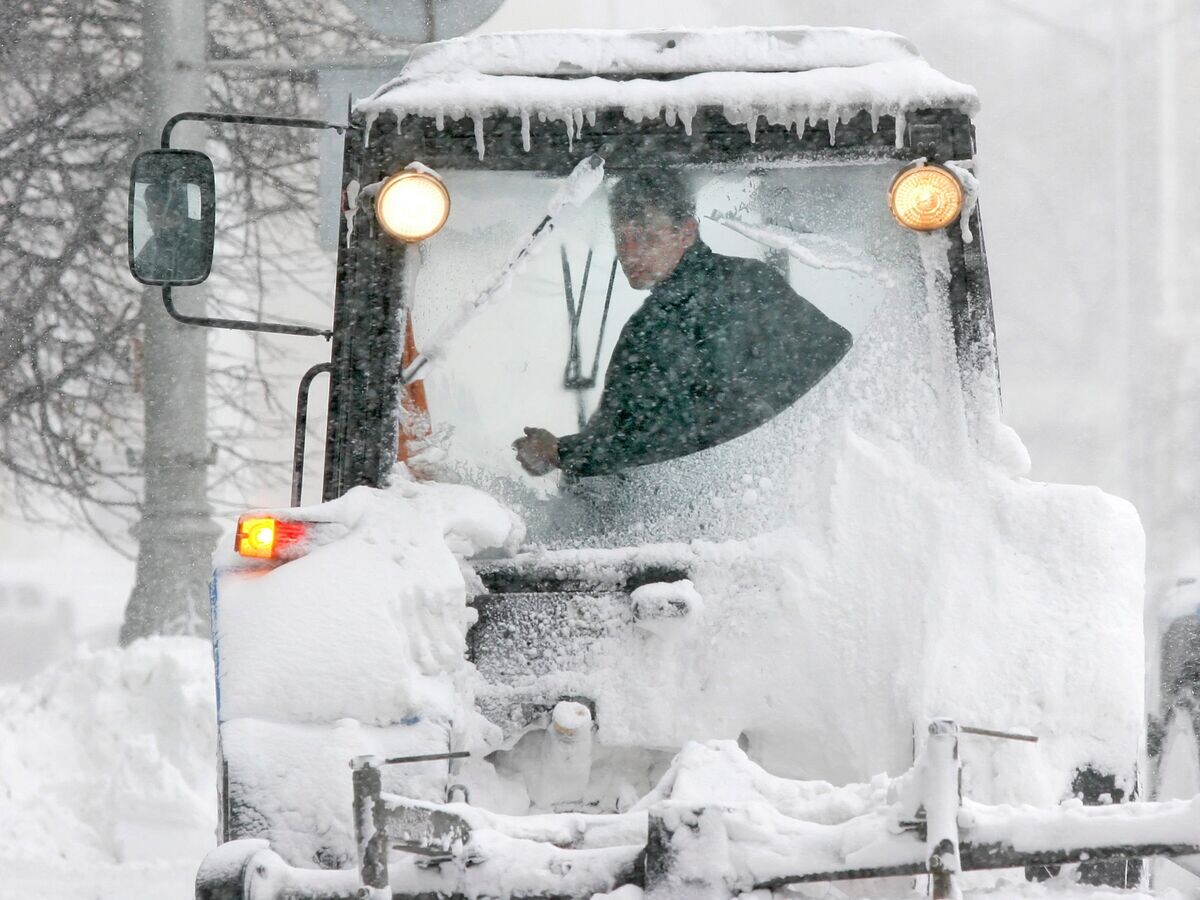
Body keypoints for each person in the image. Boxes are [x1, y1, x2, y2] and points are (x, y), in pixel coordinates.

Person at [513, 170, 852, 478]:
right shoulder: (749, 279)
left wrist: (562, 453)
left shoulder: (664, 326)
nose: (629, 253)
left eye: (646, 236)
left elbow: (663, 440)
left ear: (686, 232)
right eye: (621, 237)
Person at [133, 181, 208, 283]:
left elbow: (142, 272)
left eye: (150, 209)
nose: (148, 218)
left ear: (160, 210)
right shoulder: (157, 242)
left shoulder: (194, 243)